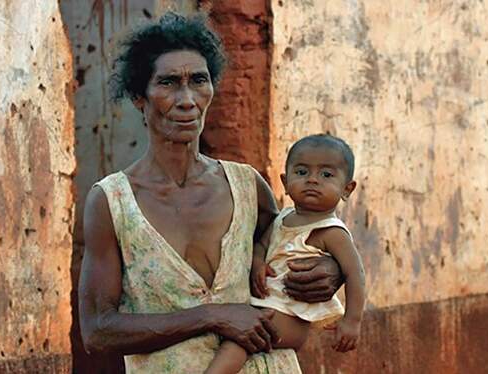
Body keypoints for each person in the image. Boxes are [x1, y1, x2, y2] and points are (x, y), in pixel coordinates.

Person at [78, 12, 344, 373]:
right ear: (140, 97)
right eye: (169, 83)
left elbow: (302, 242)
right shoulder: (113, 203)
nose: (187, 99)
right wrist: (213, 316)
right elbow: (97, 331)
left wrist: (332, 269)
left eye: (198, 81)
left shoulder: (247, 186)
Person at [205, 134, 366, 374]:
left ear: (347, 189)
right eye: (301, 172)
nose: (312, 180)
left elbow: (355, 274)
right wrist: (258, 263)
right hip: (264, 305)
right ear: (285, 181)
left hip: (290, 316)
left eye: (326, 175)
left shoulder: (332, 232)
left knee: (240, 341)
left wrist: (352, 321)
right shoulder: (282, 218)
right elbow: (261, 245)